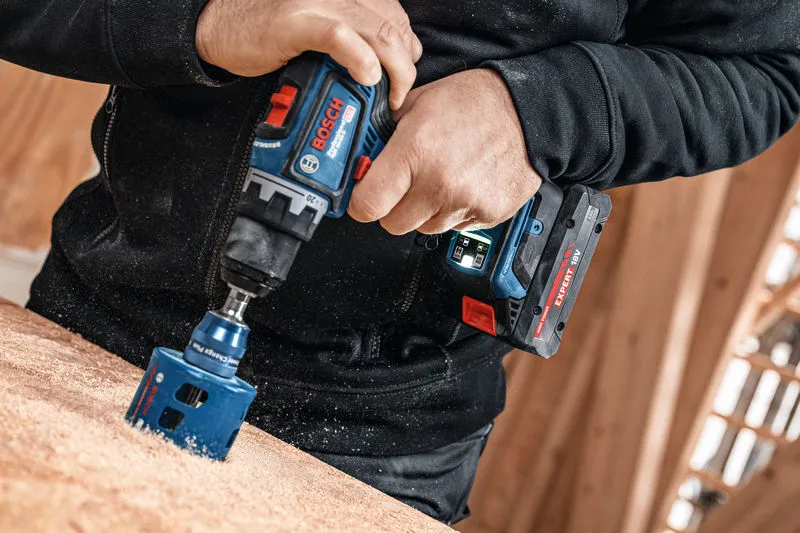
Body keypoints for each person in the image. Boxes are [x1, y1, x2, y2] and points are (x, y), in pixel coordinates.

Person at [3, 0, 799, 524]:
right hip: (88, 330)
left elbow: (767, 68)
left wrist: (537, 107)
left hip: (381, 439)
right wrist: (202, 18)